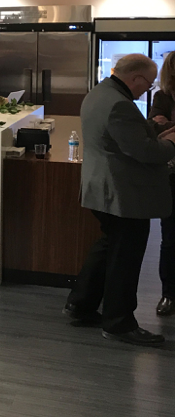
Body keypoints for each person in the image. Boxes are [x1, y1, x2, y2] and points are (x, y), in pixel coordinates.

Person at [65, 54, 175, 346]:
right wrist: (171, 143)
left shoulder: (99, 93)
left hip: (102, 188)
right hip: (123, 193)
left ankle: (80, 304)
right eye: (148, 84)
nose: (148, 89)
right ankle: (119, 323)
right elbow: (145, 152)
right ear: (136, 78)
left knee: (109, 246)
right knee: (125, 257)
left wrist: (159, 132)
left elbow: (126, 137)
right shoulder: (120, 104)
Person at [149, 50, 175, 316]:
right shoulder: (162, 96)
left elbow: (163, 126)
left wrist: (169, 125)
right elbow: (155, 128)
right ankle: (169, 294)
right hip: (172, 172)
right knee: (170, 237)